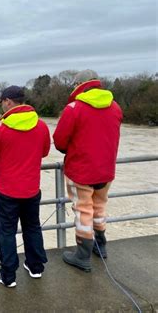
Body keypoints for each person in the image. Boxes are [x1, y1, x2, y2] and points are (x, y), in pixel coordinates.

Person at [0, 85, 50, 288]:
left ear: (8, 101)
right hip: (32, 188)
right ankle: (36, 268)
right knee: (33, 227)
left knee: (6, 232)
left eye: (1, 102)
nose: (1, 106)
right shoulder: (41, 125)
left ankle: (8, 275)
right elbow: (44, 152)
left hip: (7, 191)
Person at [53, 70, 122, 272]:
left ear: (80, 84)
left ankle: (82, 255)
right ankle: (100, 246)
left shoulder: (74, 108)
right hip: (106, 170)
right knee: (99, 206)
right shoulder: (115, 106)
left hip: (81, 170)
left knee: (83, 210)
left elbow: (59, 141)